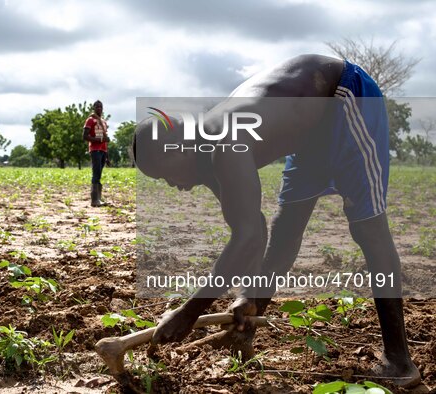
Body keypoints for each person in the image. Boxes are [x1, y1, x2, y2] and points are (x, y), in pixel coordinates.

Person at [134, 54, 421, 388]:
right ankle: (245, 329)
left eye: (164, 175)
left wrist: (189, 311)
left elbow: (247, 239)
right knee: (286, 228)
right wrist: (246, 294)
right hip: (309, 135)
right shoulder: (207, 159)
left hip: (343, 96)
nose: (172, 185)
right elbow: (253, 228)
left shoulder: (223, 144)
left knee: (368, 228)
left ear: (178, 149)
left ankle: (400, 361)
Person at [83, 100, 110, 207]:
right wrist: (99, 140)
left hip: (103, 150)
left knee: (99, 174)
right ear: (94, 108)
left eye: (101, 107)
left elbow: (104, 140)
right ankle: (94, 200)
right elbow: (85, 136)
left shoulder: (103, 122)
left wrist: (107, 157)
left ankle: (98, 198)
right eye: (97, 107)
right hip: (95, 150)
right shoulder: (90, 120)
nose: (99, 108)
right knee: (96, 173)